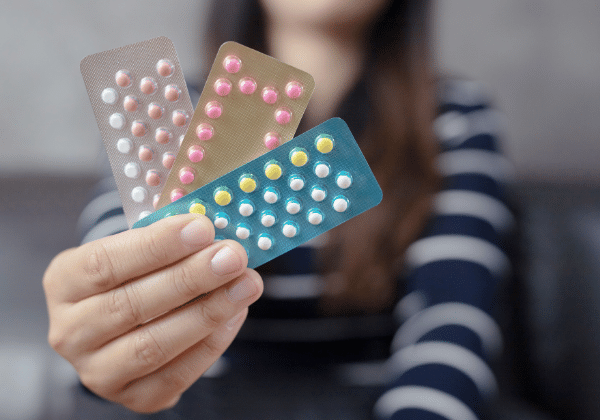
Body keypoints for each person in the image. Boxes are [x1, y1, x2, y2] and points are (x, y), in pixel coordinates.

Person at [43, 0, 515, 418]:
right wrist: (108, 340)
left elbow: (450, 330)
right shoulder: (173, 115)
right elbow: (115, 246)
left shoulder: (449, 118)